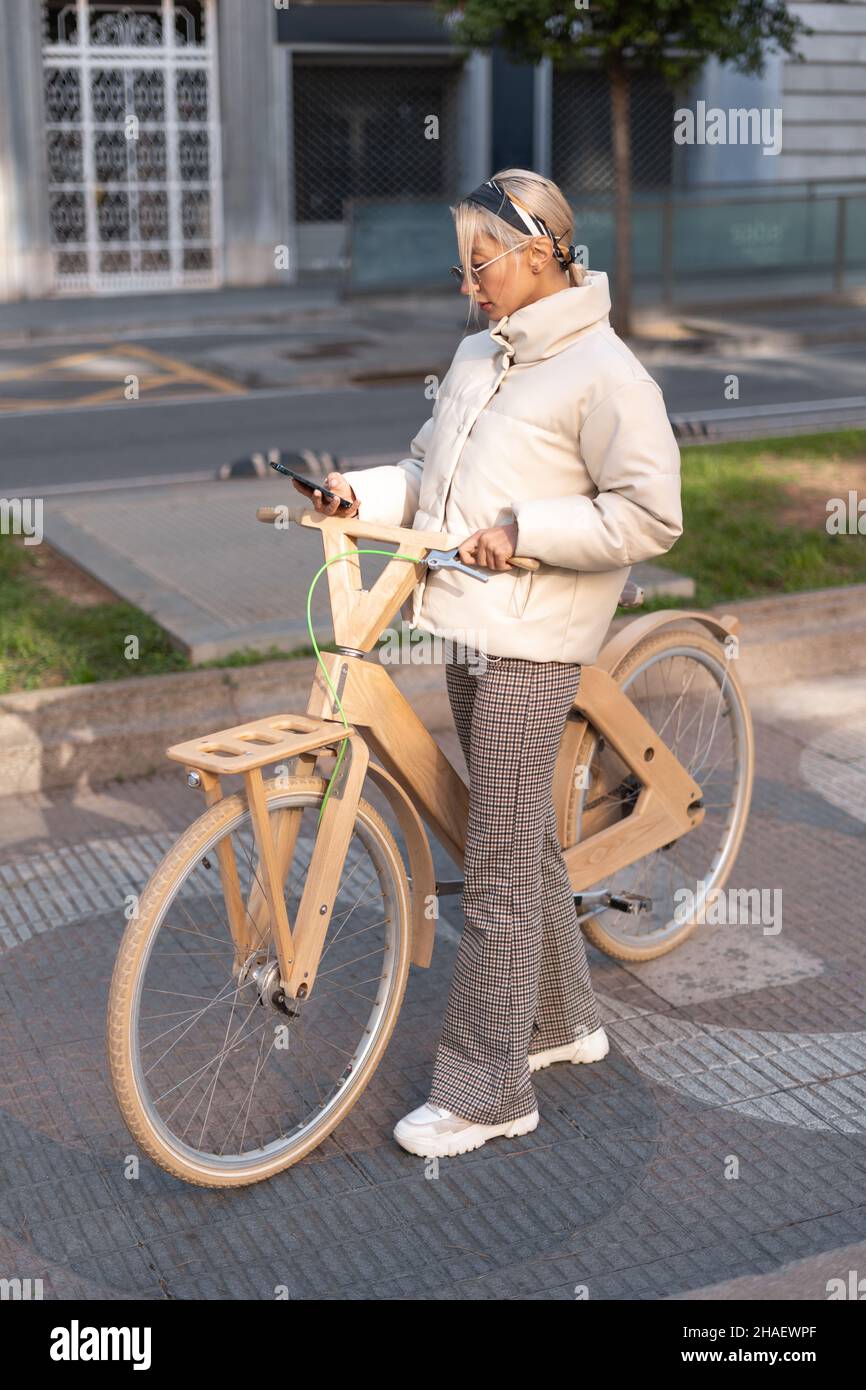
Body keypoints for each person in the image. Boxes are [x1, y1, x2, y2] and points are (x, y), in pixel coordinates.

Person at [294, 168, 683, 1159]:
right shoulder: (478, 354)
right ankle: (562, 1022)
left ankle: (487, 1087)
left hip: (531, 644)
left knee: (501, 869)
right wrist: (359, 494)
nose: (468, 286)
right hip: (466, 629)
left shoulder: (604, 373)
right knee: (516, 842)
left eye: (480, 266)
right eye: (462, 268)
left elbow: (647, 514)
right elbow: (430, 474)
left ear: (538, 255)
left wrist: (524, 530)